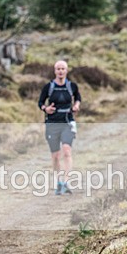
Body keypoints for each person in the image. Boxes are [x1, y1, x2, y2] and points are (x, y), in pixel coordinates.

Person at [38, 60, 81, 195]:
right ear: (55, 71)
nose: (60, 71)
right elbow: (40, 102)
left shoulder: (72, 86)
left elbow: (78, 97)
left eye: (63, 69)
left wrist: (76, 105)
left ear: (66, 71)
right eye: (58, 69)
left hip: (67, 122)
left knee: (67, 151)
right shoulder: (48, 87)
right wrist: (45, 108)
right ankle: (58, 182)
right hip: (52, 123)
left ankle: (66, 182)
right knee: (55, 156)